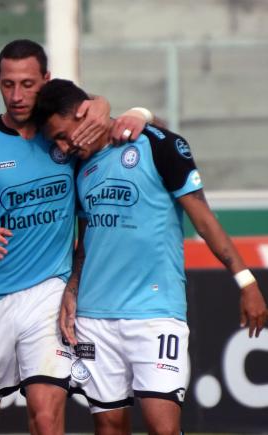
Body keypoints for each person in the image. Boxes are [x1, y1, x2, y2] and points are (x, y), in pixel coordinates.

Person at [34, 78, 268, 435]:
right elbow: (87, 239)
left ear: (86, 114)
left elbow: (203, 219)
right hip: (96, 317)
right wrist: (73, 289)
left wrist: (246, 280)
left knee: (163, 428)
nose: (64, 147)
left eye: (65, 135)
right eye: (57, 142)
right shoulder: (79, 168)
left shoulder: (159, 145)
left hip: (155, 313)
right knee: (109, 426)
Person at [0, 39, 148, 435]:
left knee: (46, 417)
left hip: (47, 292)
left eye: (27, 84)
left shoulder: (69, 133)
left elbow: (136, 131)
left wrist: (131, 110)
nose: (17, 95)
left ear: (46, 80)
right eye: (8, 84)